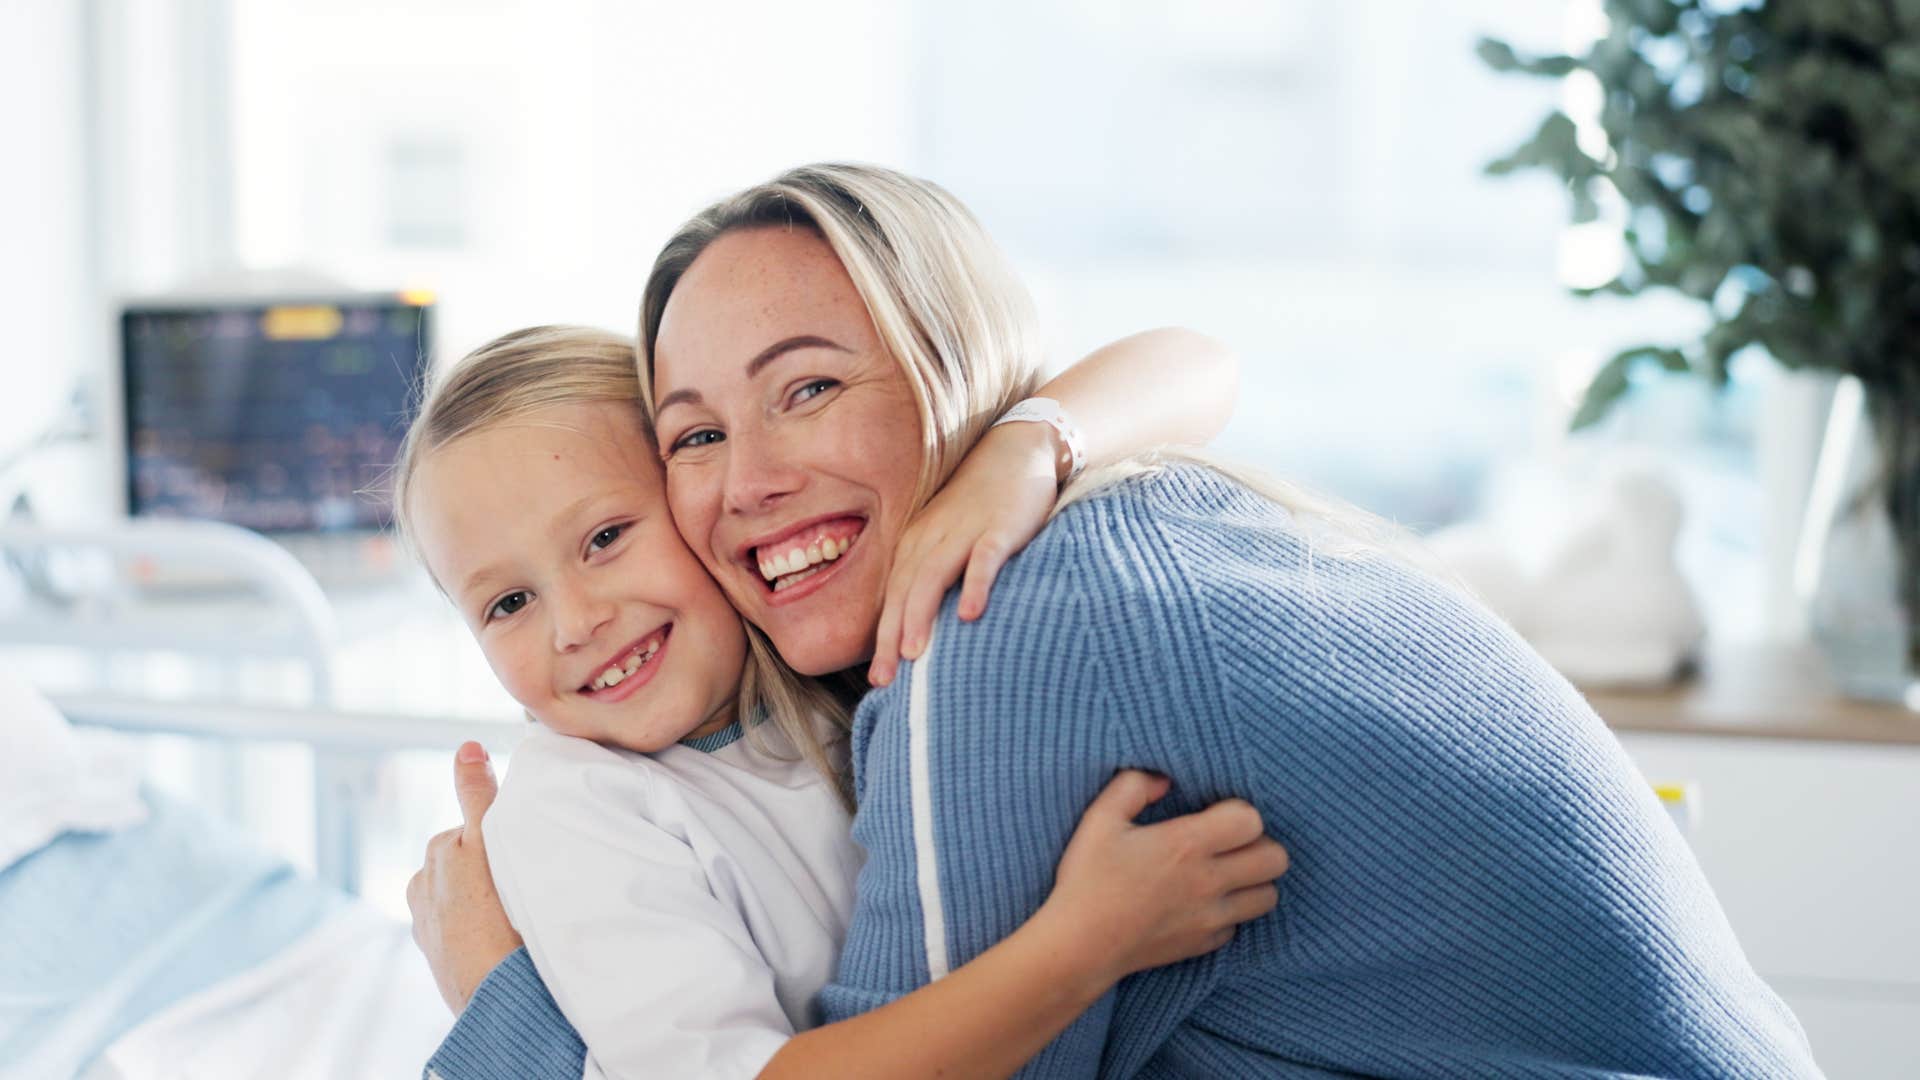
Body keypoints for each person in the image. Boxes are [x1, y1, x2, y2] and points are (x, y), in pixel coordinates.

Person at [416, 163, 1822, 1076]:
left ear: (950, 364)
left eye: (811, 388)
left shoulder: (992, 643)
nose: (755, 480)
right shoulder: (1108, 528)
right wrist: (1036, 443)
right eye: (699, 434)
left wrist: (496, 1007)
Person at [398, 324, 1288, 1079]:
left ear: (692, 489)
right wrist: (1088, 944)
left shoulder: (814, 662)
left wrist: (1016, 454)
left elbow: (1194, 360)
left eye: (604, 538)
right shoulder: (577, 808)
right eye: (508, 604)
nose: (575, 624)